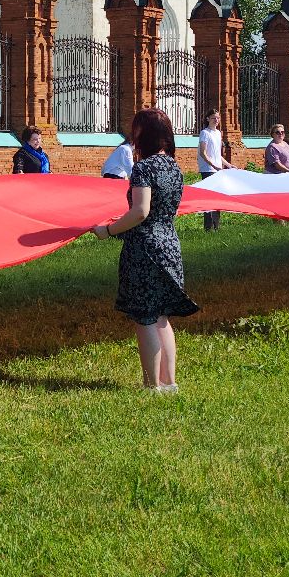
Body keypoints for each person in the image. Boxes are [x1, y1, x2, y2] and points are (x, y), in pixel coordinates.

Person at [89, 107, 199, 391]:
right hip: (169, 243)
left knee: (145, 317)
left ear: (144, 135)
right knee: (161, 316)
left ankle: (152, 386)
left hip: (145, 247)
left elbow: (140, 211)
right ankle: (169, 383)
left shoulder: (144, 168)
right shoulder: (175, 167)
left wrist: (109, 230)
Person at [196, 111, 231, 230]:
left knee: (217, 198)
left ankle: (216, 226)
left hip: (217, 169)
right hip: (208, 169)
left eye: (217, 118)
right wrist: (214, 166)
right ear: (207, 119)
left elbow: (217, 154)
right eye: (213, 118)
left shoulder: (218, 133)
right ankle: (208, 228)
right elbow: (203, 153)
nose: (216, 120)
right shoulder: (205, 133)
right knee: (209, 199)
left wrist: (228, 164)